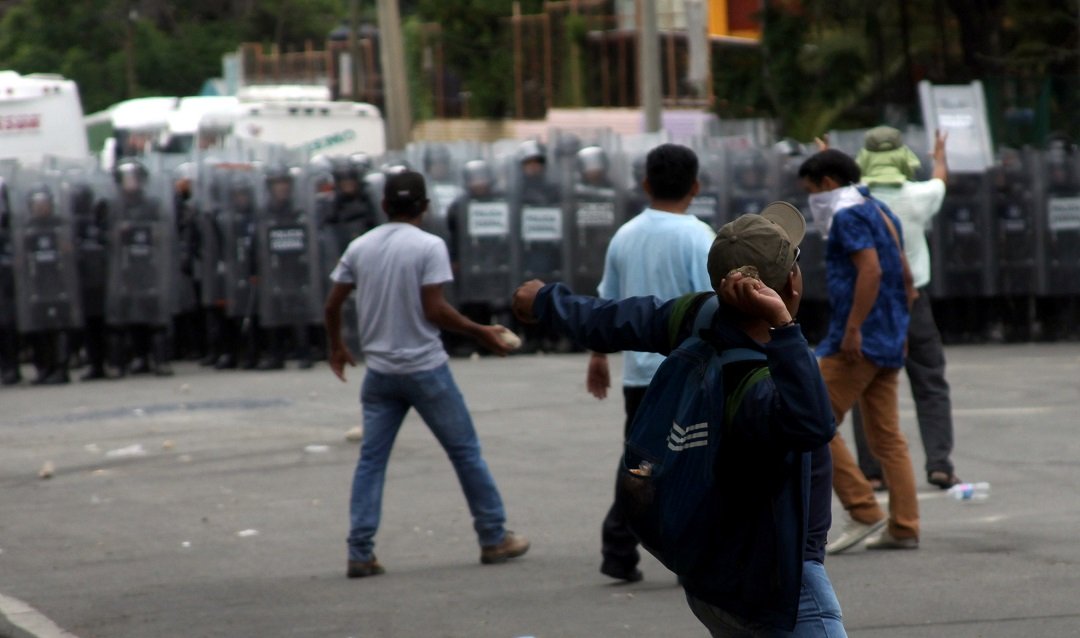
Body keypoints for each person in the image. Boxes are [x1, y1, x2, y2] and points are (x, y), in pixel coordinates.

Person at [511, 202, 844, 636]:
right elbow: (815, 425)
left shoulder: (697, 317)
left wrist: (543, 300)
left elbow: (613, 320)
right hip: (778, 583)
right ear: (790, 285)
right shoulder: (761, 384)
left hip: (710, 573)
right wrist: (784, 327)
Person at [324, 170, 529, 578]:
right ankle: (493, 537)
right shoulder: (429, 245)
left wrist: (337, 346)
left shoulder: (360, 246)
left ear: (384, 206)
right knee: (465, 453)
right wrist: (481, 331)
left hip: (380, 373)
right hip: (425, 370)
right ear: (425, 207)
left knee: (371, 461)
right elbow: (434, 310)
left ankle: (360, 551)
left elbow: (332, 305)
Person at [589, 143, 716, 583]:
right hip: (686, 375)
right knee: (692, 463)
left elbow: (606, 305)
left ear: (645, 185)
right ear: (695, 187)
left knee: (639, 462)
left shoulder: (625, 235)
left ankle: (618, 550)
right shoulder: (699, 238)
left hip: (639, 376)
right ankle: (690, 553)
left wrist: (597, 356)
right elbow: (712, 308)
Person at [798, 149, 919, 553]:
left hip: (858, 340)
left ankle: (863, 509)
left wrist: (852, 328)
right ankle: (904, 526)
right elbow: (905, 274)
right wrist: (899, 327)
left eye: (811, 189)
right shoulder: (878, 208)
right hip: (887, 336)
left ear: (828, 183)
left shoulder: (847, 216)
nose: (811, 199)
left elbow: (872, 269)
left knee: (810, 418)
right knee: (887, 437)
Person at [851, 127, 961, 490]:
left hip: (867, 305)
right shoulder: (920, 196)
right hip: (914, 303)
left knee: (866, 386)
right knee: (929, 382)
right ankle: (940, 464)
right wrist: (939, 157)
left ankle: (872, 470)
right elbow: (940, 180)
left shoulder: (853, 202)